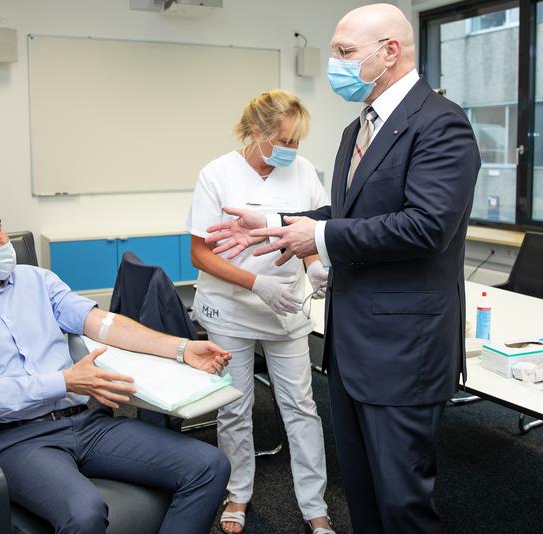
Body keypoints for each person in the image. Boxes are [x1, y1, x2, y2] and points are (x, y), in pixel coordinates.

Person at [206, 4, 480, 533]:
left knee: (403, 503)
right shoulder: (359, 129)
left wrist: (320, 236)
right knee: (363, 493)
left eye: (345, 53)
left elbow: (426, 227)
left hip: (404, 350)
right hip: (354, 344)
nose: (334, 63)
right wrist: (274, 222)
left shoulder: (441, 124)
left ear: (390, 52)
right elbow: (349, 214)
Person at [0, 198, 233, 534]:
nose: (1, 240)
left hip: (86, 424)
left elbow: (105, 323)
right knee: (86, 512)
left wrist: (182, 348)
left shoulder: (38, 281)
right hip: (17, 441)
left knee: (209, 465)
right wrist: (65, 381)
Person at [186, 89, 333, 534]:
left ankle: (315, 506)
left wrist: (316, 266)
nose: (292, 151)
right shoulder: (218, 174)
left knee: (301, 406)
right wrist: (256, 283)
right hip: (232, 307)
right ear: (257, 132)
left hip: (286, 307)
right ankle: (238, 493)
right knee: (235, 406)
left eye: (297, 143)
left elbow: (308, 232)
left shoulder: (304, 172)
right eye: (284, 141)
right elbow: (199, 253)